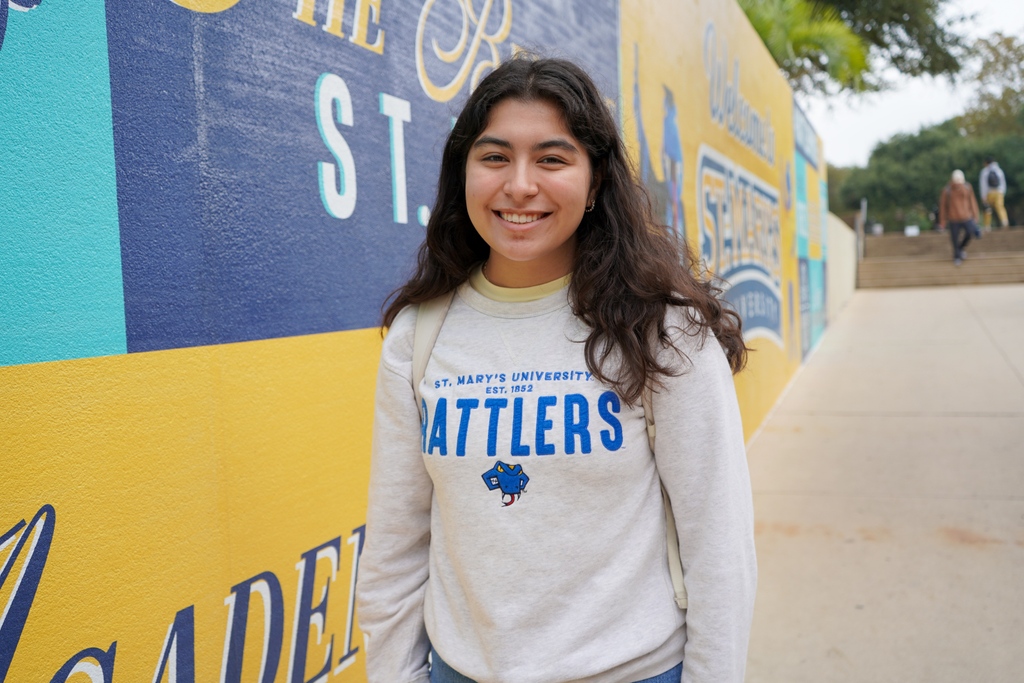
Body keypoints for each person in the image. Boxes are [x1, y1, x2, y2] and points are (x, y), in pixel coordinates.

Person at [356, 57, 757, 683]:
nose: (519, 185)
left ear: (594, 182)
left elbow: (719, 544)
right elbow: (395, 548)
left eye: (551, 159)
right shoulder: (420, 336)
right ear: (462, 173)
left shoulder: (662, 330)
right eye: (494, 157)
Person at [939, 170, 980, 266]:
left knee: (970, 233)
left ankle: (960, 249)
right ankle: (957, 256)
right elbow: (943, 206)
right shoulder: (947, 190)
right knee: (954, 238)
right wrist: (942, 221)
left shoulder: (967, 187)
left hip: (966, 216)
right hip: (953, 218)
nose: (958, 182)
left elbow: (972, 202)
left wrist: (975, 215)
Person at [979, 156, 1009, 230]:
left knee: (987, 209)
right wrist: (1002, 192)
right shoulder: (999, 170)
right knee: (1000, 207)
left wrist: (983, 196)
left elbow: (983, 185)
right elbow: (1003, 182)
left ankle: (987, 225)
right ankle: (1004, 221)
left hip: (989, 192)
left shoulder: (984, 171)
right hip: (999, 192)